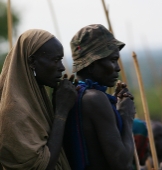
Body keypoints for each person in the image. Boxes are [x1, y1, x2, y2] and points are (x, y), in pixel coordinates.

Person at [0, 29, 77, 170]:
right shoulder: (14, 112)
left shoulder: (36, 99)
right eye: (55, 60)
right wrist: (61, 111)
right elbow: (43, 166)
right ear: (32, 62)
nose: (61, 68)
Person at [63, 24, 135, 170]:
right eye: (113, 60)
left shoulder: (75, 95)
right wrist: (126, 117)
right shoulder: (95, 99)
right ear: (91, 64)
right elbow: (122, 163)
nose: (117, 68)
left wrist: (112, 107)